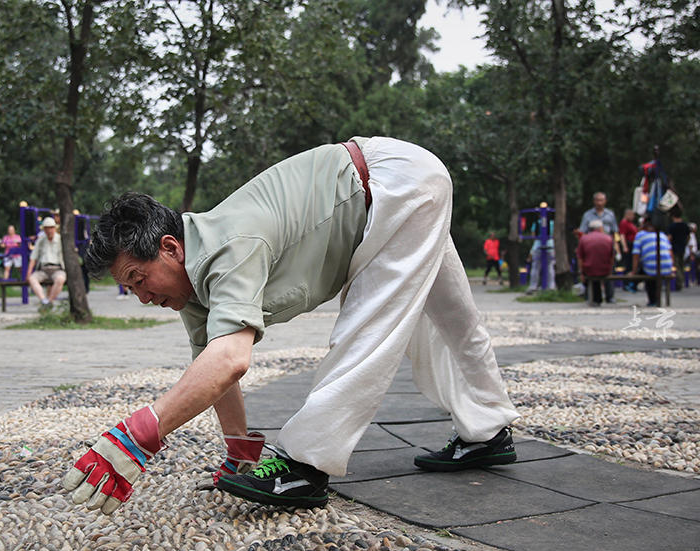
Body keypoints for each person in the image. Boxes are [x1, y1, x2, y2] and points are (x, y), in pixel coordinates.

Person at [63, 137, 520, 514]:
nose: (143, 297)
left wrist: (136, 438)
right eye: (131, 290)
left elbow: (230, 360)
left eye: (139, 280)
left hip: (393, 185)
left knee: (368, 325)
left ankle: (304, 466)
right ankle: (487, 431)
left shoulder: (229, 245)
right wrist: (240, 451)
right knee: (455, 319)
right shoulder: (191, 286)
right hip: (396, 185)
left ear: (170, 248)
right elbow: (213, 364)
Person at [579, 192, 619, 303]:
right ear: (594, 201)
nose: (599, 202)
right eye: (597, 200)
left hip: (608, 246)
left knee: (610, 269)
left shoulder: (610, 214)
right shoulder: (587, 215)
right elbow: (582, 232)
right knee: (593, 268)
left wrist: (617, 246)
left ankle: (610, 296)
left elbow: (615, 232)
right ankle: (592, 296)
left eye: (601, 200)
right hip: (592, 247)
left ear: (605, 201)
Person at [632, 218, 674, 307]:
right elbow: (670, 252)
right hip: (667, 266)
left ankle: (652, 300)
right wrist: (672, 267)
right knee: (651, 265)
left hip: (652, 267)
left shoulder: (640, 235)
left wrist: (634, 271)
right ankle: (635, 285)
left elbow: (636, 255)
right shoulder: (662, 235)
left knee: (648, 270)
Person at [26, 216, 66, 309]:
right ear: (44, 229)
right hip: (43, 269)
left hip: (57, 268)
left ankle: (49, 301)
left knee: (60, 279)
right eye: (47, 228)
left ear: (54, 228)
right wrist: (29, 272)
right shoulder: (40, 240)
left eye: (51, 228)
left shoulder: (60, 240)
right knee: (32, 279)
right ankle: (44, 300)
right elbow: (33, 257)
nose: (49, 231)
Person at [576, 220, 614, 307]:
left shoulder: (584, 239)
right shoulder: (608, 238)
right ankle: (607, 297)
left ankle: (594, 298)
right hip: (605, 270)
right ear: (601, 228)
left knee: (591, 271)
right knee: (599, 270)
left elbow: (580, 258)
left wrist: (581, 271)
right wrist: (610, 269)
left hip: (589, 270)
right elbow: (612, 257)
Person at [527, 217, 554, 293]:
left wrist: (535, 240)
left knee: (535, 267)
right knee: (550, 267)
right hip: (550, 245)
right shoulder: (552, 222)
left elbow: (533, 234)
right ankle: (551, 286)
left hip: (538, 245)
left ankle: (533, 286)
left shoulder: (536, 222)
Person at [667, 211, 690, 290]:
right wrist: (685, 243)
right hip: (682, 247)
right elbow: (688, 236)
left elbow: (669, 238)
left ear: (673, 217)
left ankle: (679, 281)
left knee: (676, 266)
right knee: (681, 264)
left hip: (674, 248)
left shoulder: (672, 226)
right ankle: (680, 280)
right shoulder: (685, 225)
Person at [618, 209, 639, 292]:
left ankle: (631, 283)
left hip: (633, 245)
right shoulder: (624, 223)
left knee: (632, 265)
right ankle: (626, 284)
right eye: (632, 215)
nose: (633, 217)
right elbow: (622, 235)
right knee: (628, 265)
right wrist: (624, 246)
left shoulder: (630, 223)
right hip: (628, 245)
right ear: (628, 215)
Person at [686, 222, 698, 287]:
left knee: (690, 267)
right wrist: (691, 255)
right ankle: (690, 281)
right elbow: (690, 245)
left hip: (691, 253)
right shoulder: (691, 235)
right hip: (690, 254)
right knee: (690, 268)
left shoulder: (692, 235)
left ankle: (690, 280)